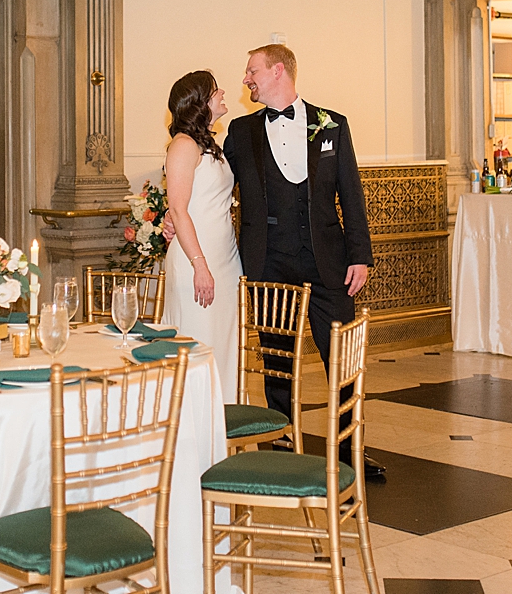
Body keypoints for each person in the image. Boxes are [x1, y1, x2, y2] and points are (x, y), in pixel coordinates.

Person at [223, 44, 383, 478]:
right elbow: (212, 182)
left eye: (252, 70)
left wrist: (360, 255)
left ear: (278, 71)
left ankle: (351, 449)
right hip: (268, 262)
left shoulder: (333, 125)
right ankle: (282, 441)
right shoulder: (240, 132)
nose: (246, 78)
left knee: (342, 360)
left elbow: (351, 194)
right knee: (276, 361)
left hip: (328, 262)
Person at [161, 70, 242, 400]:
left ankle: (224, 428)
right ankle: (192, 437)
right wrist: (200, 265)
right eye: (214, 90)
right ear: (198, 102)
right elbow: (179, 209)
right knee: (198, 348)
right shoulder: (182, 145)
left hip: (225, 260)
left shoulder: (210, 145)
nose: (222, 92)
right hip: (198, 262)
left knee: (224, 347)